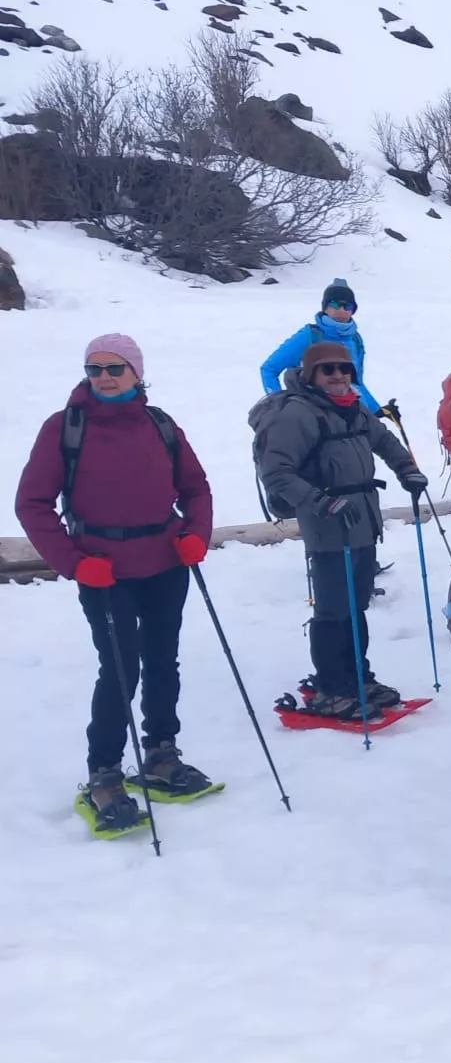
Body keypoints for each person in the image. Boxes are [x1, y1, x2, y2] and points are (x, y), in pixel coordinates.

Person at [15, 334, 217, 834]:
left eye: (114, 368)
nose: (103, 377)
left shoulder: (160, 424)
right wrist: (73, 561)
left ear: (136, 372)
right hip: (103, 567)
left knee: (162, 658)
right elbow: (32, 504)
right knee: (120, 667)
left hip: (166, 561)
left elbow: (196, 488)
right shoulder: (65, 428)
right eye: (94, 369)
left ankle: (161, 754)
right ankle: (104, 773)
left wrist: (196, 534)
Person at [258, 341, 429, 719]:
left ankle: (357, 678)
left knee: (356, 604)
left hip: (363, 519)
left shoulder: (353, 408)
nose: (338, 376)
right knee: (334, 607)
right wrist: (321, 503)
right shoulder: (297, 415)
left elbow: (384, 440)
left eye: (344, 369)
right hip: (327, 523)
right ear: (310, 375)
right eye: (328, 370)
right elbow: (277, 473)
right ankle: (330, 687)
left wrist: (407, 470)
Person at [259, 279, 380, 413]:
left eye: (348, 306)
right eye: (335, 304)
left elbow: (356, 383)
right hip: (315, 415)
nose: (341, 310)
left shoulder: (355, 339)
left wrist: (377, 410)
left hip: (352, 414)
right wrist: (279, 404)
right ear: (325, 307)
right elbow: (269, 369)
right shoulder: (310, 336)